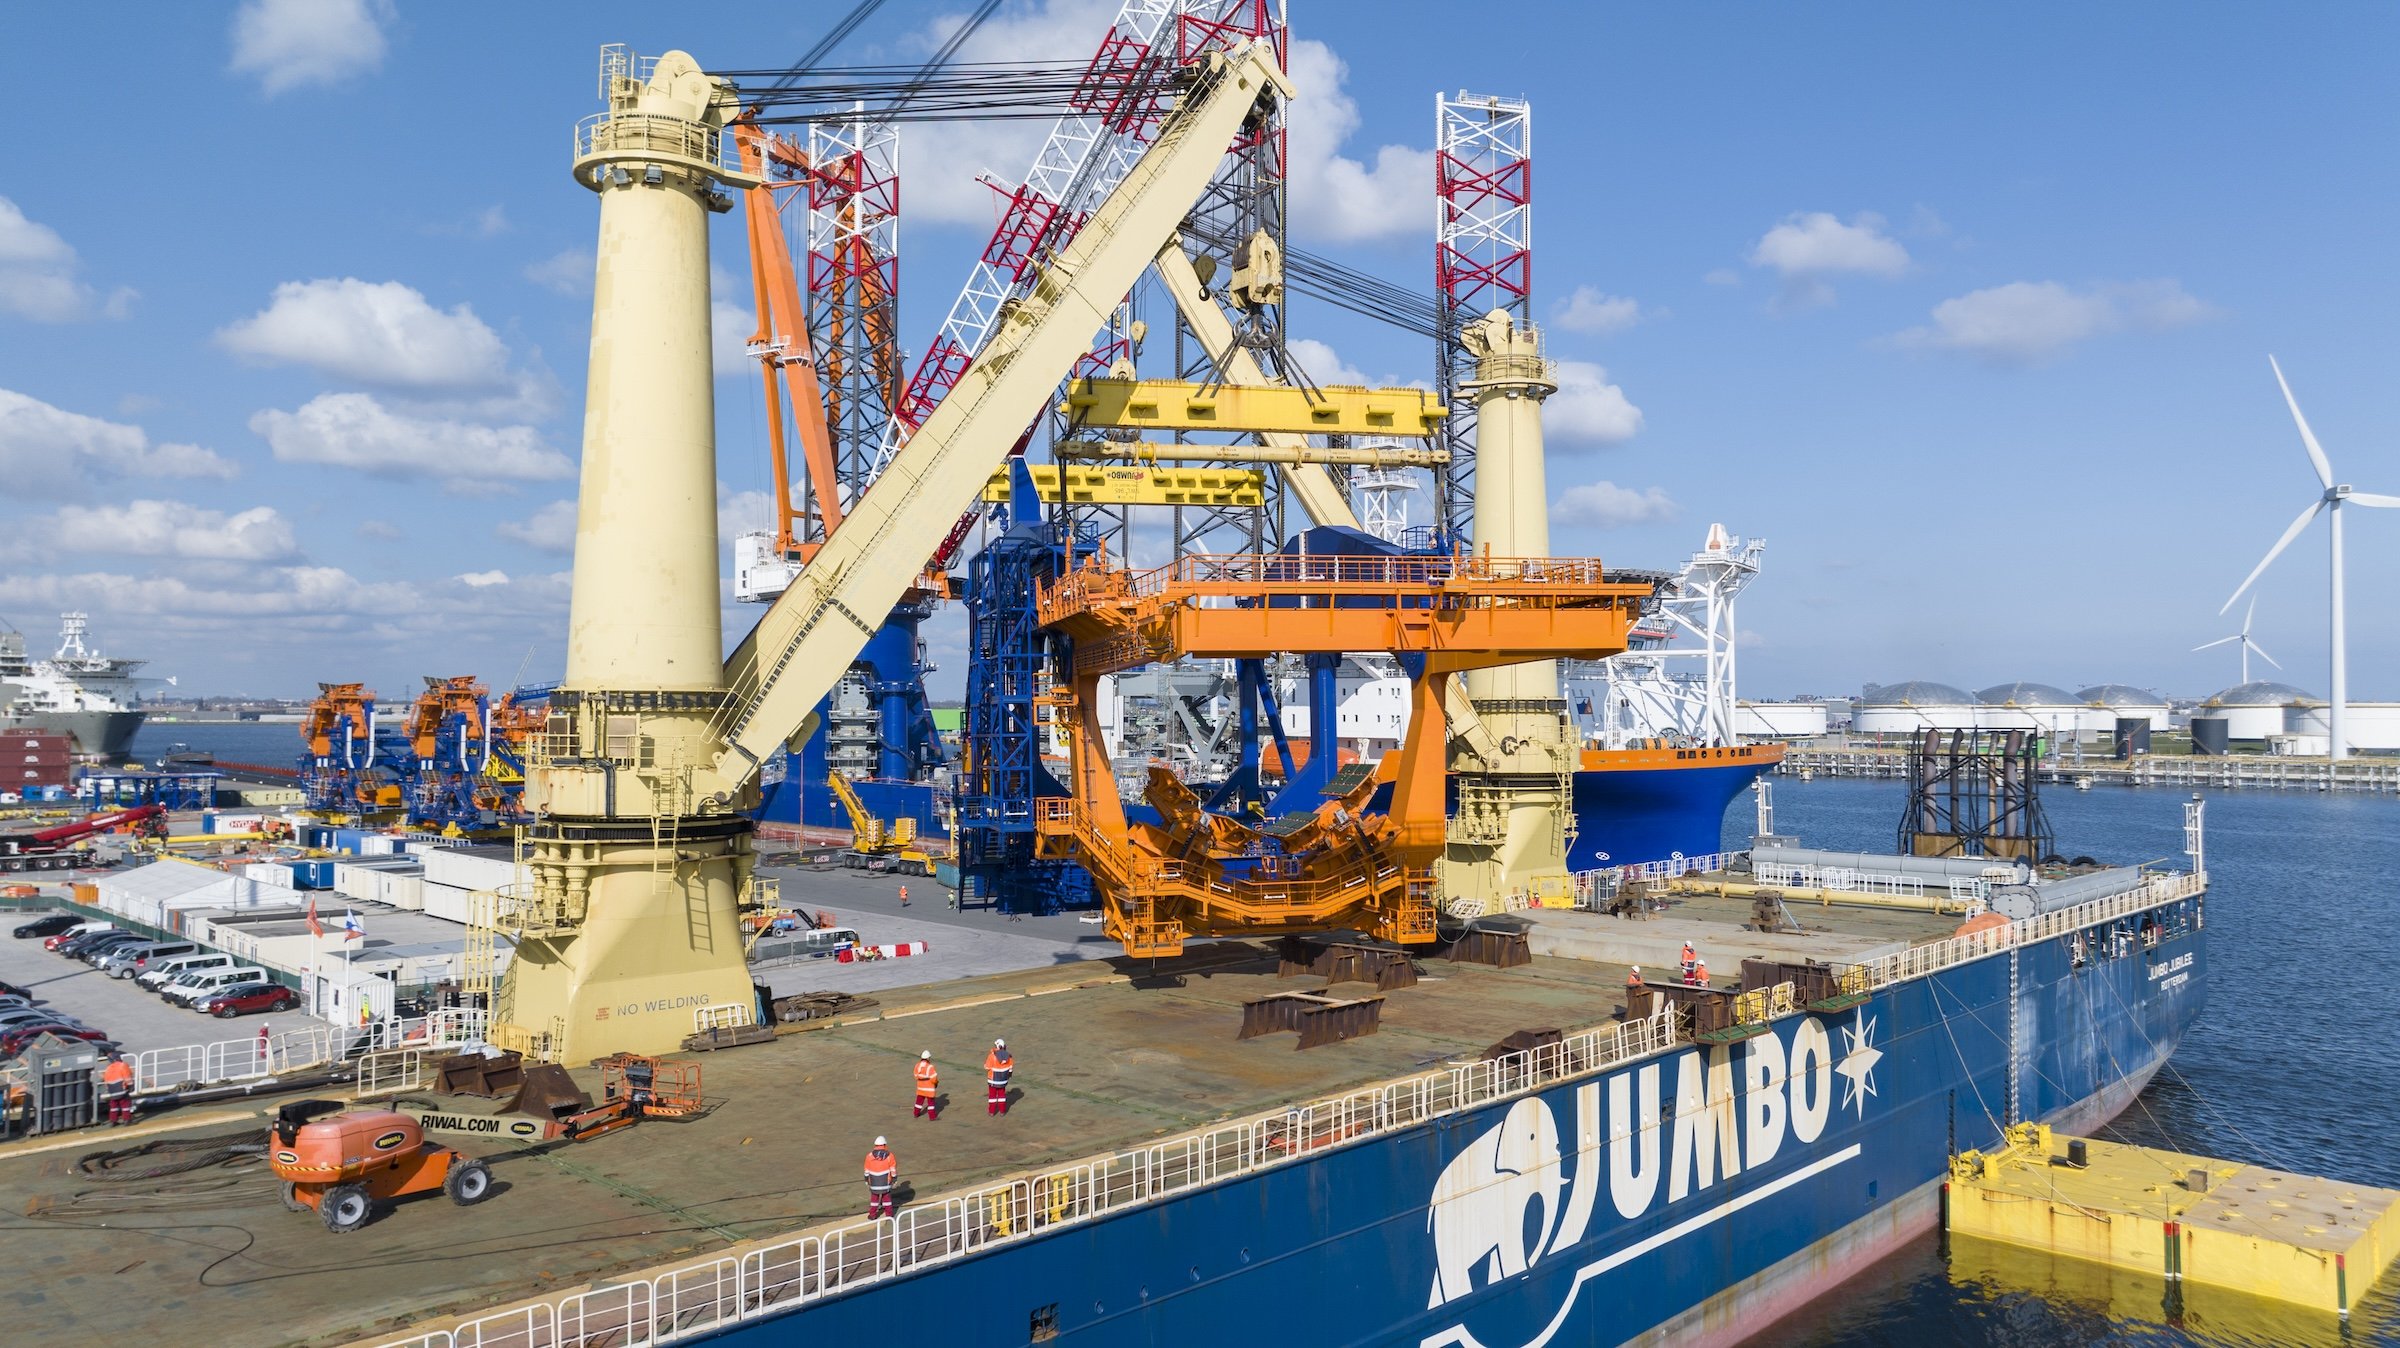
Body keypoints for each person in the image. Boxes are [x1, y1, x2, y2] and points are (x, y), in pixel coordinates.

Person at [863, 1136, 898, 1217]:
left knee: (874, 1200)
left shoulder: (869, 1156)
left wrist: (866, 1180)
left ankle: (872, 1215)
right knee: (887, 1199)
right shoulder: (890, 1156)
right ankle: (889, 1215)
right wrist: (894, 1179)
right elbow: (893, 1170)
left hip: (874, 1183)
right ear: (884, 1145)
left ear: (875, 1145)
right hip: (886, 1183)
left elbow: (866, 1171)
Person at [99, 1052, 136, 1126]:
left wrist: (109, 1090)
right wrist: (131, 1086)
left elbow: (106, 1080)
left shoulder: (108, 1068)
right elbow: (127, 1077)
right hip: (121, 1089)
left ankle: (113, 1121)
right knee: (125, 1104)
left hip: (112, 1090)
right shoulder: (123, 1065)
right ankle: (127, 1120)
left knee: (113, 1106)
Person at [984, 1038, 1014, 1116]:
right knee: (1002, 1096)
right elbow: (1010, 1069)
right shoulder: (1009, 1056)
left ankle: (991, 1112)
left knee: (992, 1096)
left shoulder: (992, 1056)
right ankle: (1002, 1111)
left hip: (993, 1080)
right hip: (1003, 1080)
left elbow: (987, 1067)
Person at [913, 1050, 939, 1121]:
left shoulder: (917, 1065)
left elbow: (915, 1076)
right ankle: (932, 1117)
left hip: (920, 1088)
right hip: (929, 1089)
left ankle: (916, 1113)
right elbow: (934, 1078)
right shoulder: (930, 1067)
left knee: (918, 1102)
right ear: (928, 1058)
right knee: (931, 1103)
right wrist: (936, 1083)